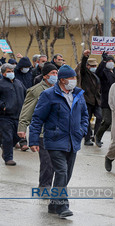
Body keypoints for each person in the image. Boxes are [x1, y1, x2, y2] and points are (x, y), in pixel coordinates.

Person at [29, 64, 88, 218]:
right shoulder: (49, 95)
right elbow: (37, 118)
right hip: (55, 140)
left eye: (74, 78)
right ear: (62, 80)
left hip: (73, 140)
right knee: (61, 171)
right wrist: (33, 139)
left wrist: (83, 130)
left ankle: (53, 203)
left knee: (66, 174)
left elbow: (84, 115)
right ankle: (62, 206)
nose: (74, 81)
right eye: (71, 78)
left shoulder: (78, 94)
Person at [17, 63, 57, 187]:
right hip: (42, 132)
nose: (55, 76)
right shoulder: (36, 91)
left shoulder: (60, 89)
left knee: (57, 164)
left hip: (58, 132)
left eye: (56, 73)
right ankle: (44, 187)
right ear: (45, 76)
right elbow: (27, 110)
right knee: (47, 162)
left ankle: (53, 187)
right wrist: (22, 127)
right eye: (53, 74)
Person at [0, 63, 26, 165]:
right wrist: (3, 106)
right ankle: (8, 158)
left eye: (12, 71)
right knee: (8, 137)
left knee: (18, 136)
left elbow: (26, 94)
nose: (11, 73)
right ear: (3, 73)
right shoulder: (1, 84)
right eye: (8, 72)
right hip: (5, 116)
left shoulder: (18, 83)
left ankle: (5, 146)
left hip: (18, 115)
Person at [80, 50, 102, 146]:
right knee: (87, 120)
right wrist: (85, 57)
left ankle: (97, 137)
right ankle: (87, 138)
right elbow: (82, 68)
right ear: (88, 66)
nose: (94, 68)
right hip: (87, 100)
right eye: (92, 66)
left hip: (96, 101)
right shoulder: (85, 74)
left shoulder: (96, 75)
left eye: (95, 66)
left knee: (100, 117)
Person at [95, 53, 115, 147]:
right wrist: (103, 61)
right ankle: (97, 137)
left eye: (112, 61)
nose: (110, 63)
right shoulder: (103, 72)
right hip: (106, 101)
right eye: (109, 61)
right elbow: (98, 72)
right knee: (107, 121)